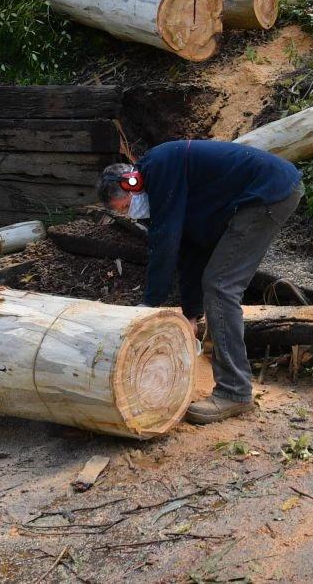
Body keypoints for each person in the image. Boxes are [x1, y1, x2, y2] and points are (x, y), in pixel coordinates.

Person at [97, 139, 302, 423]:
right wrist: (191, 312)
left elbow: (165, 242)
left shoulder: (161, 167)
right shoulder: (166, 182)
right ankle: (233, 385)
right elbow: (188, 250)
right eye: (122, 212)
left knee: (220, 286)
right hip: (259, 195)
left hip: (267, 192)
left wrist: (149, 304)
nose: (129, 214)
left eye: (126, 205)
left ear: (133, 183)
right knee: (215, 282)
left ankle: (234, 392)